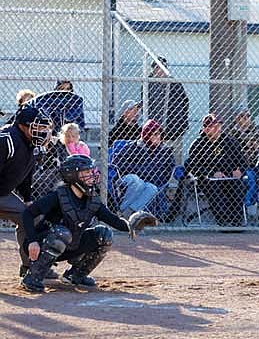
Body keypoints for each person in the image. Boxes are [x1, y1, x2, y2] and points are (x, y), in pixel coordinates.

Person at [19, 155, 135, 293]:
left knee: (104, 234)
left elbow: (113, 220)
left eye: (91, 172)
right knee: (62, 232)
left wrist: (132, 225)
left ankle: (75, 275)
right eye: (86, 173)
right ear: (72, 175)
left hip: (69, 244)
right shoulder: (57, 196)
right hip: (42, 244)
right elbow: (28, 214)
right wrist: (32, 241)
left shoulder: (92, 199)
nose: (91, 176)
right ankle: (33, 277)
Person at [0, 105, 54, 277]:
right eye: (37, 127)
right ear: (23, 125)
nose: (43, 132)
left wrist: (28, 199)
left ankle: (30, 267)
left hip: (3, 193)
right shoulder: (6, 140)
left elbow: (25, 173)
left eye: (44, 127)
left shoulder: (31, 142)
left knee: (30, 218)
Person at [185, 113, 249, 226]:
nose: (216, 129)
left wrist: (240, 171)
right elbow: (192, 166)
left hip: (229, 177)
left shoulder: (230, 142)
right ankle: (224, 219)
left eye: (218, 126)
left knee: (238, 186)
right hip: (208, 178)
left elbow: (243, 161)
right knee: (214, 187)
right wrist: (212, 173)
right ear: (204, 128)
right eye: (211, 126)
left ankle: (236, 220)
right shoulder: (198, 144)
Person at [112, 119, 175, 217]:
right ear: (147, 135)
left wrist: (145, 173)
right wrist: (142, 171)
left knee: (152, 188)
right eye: (154, 134)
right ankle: (121, 210)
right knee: (137, 181)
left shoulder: (165, 151)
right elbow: (117, 162)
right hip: (128, 178)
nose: (158, 137)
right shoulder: (134, 146)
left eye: (159, 134)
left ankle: (126, 213)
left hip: (151, 181)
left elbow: (167, 173)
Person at [147, 57, 190, 163]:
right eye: (157, 68)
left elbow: (185, 103)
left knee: (175, 160)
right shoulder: (149, 84)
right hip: (155, 132)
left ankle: (176, 178)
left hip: (174, 131)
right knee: (156, 161)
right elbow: (145, 104)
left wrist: (180, 122)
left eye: (162, 67)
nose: (160, 70)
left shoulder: (175, 84)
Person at [229, 104, 259, 168]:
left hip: (255, 161)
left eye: (248, 116)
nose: (246, 118)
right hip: (238, 163)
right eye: (242, 115)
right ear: (237, 118)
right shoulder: (231, 131)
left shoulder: (256, 130)